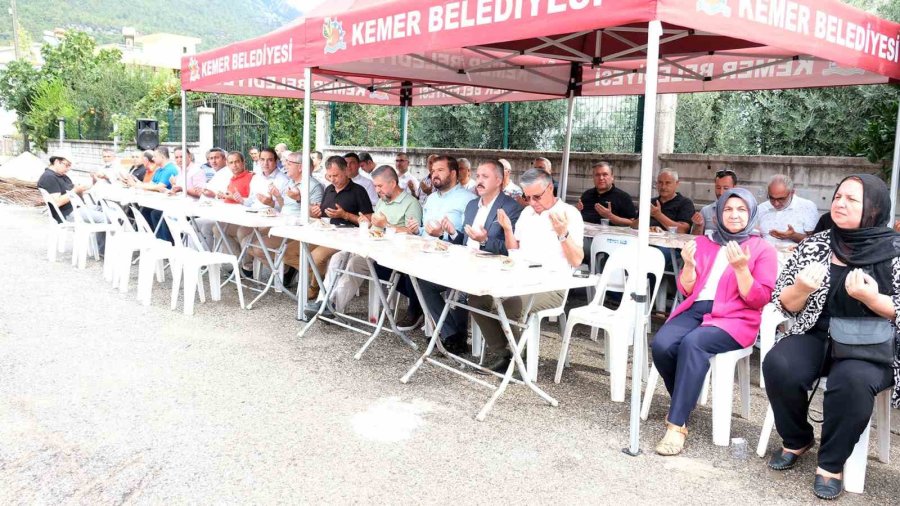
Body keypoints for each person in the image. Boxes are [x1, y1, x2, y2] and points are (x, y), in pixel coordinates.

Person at [762, 174, 900, 500]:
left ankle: (831, 463)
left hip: (870, 344)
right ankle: (797, 439)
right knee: (780, 364)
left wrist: (873, 300)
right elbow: (782, 301)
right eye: (838, 196)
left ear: (874, 207)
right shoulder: (816, 244)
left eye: (852, 199)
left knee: (851, 382)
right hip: (817, 332)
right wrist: (801, 288)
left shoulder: (894, 251)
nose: (840, 203)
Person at [650, 188, 777, 456]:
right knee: (662, 344)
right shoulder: (705, 243)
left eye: (741, 210)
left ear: (752, 214)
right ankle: (684, 401)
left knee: (693, 343)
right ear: (718, 213)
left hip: (736, 317)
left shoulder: (762, 249)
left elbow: (759, 298)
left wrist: (741, 269)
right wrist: (688, 265)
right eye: (728, 209)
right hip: (697, 309)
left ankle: (677, 424)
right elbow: (686, 290)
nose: (734, 215)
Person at [469, 168, 584, 372]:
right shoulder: (527, 213)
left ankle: (522, 360)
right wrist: (507, 229)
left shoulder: (569, 213)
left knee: (511, 307)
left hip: (551, 284)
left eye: (536, 196)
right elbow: (515, 250)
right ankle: (506, 353)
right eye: (527, 197)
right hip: (521, 277)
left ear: (550, 188)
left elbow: (576, 260)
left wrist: (563, 234)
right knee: (478, 299)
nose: (532, 202)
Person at [316, 165, 422, 317]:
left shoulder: (411, 203)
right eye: (375, 186)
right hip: (370, 246)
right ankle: (322, 301)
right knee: (337, 258)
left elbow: (413, 233)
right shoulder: (383, 201)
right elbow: (375, 227)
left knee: (355, 264)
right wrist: (366, 222)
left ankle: (332, 306)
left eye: (380, 186)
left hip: (390, 254)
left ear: (393, 183)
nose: (377, 190)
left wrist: (386, 225)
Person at [392, 155, 475, 330]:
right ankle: (438, 324)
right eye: (432, 171)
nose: (434, 174)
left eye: (440, 170)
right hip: (425, 253)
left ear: (453, 173)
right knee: (394, 265)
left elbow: (468, 239)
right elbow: (426, 231)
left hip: (451, 258)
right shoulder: (431, 199)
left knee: (415, 275)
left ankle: (442, 327)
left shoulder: (468, 199)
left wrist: (442, 234)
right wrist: (417, 230)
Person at [295, 156, 373, 302]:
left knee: (315, 257)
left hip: (348, 237)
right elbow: (322, 214)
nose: (332, 179)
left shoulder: (358, 191)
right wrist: (316, 212)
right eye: (329, 176)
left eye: (336, 175)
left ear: (346, 171)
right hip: (326, 232)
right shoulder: (329, 189)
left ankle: (315, 286)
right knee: (295, 250)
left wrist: (345, 215)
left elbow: (368, 221)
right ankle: (318, 282)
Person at [247, 150, 325, 287]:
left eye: (289, 163)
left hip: (297, 229)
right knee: (249, 244)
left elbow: (316, 215)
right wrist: (277, 196)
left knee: (258, 248)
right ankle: (286, 270)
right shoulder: (290, 182)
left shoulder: (314, 186)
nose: (285, 166)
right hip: (283, 223)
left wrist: (300, 199)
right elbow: (285, 207)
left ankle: (311, 275)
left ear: (300, 167)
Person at [37, 150, 107, 253]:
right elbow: (57, 202)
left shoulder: (61, 175)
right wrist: (75, 191)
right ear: (56, 162)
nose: (68, 169)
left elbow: (76, 190)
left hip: (76, 208)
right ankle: (103, 251)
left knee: (107, 210)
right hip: (67, 213)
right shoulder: (49, 177)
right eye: (67, 165)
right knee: (109, 218)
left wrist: (92, 182)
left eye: (70, 166)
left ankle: (100, 248)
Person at [757, 174, 819, 247]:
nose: (776, 203)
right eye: (771, 198)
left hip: (794, 253)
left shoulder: (807, 207)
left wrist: (793, 236)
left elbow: (816, 240)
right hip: (765, 252)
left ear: (792, 193)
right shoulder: (761, 208)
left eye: (781, 199)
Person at [632, 168, 695, 233]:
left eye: (668, 183)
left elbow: (683, 230)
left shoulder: (685, 203)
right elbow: (633, 226)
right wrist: (644, 215)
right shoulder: (650, 202)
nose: (663, 187)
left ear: (677, 184)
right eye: (660, 182)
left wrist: (658, 215)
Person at [576, 161, 637, 226]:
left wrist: (610, 216)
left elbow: (633, 223)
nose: (601, 178)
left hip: (611, 232)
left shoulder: (623, 197)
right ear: (593, 177)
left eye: (605, 174)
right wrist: (576, 211)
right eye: (597, 175)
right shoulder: (586, 195)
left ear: (612, 177)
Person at [691, 169, 737, 235]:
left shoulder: (742, 212)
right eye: (718, 188)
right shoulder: (706, 211)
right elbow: (694, 238)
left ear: (734, 188)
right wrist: (698, 226)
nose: (721, 192)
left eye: (726, 188)